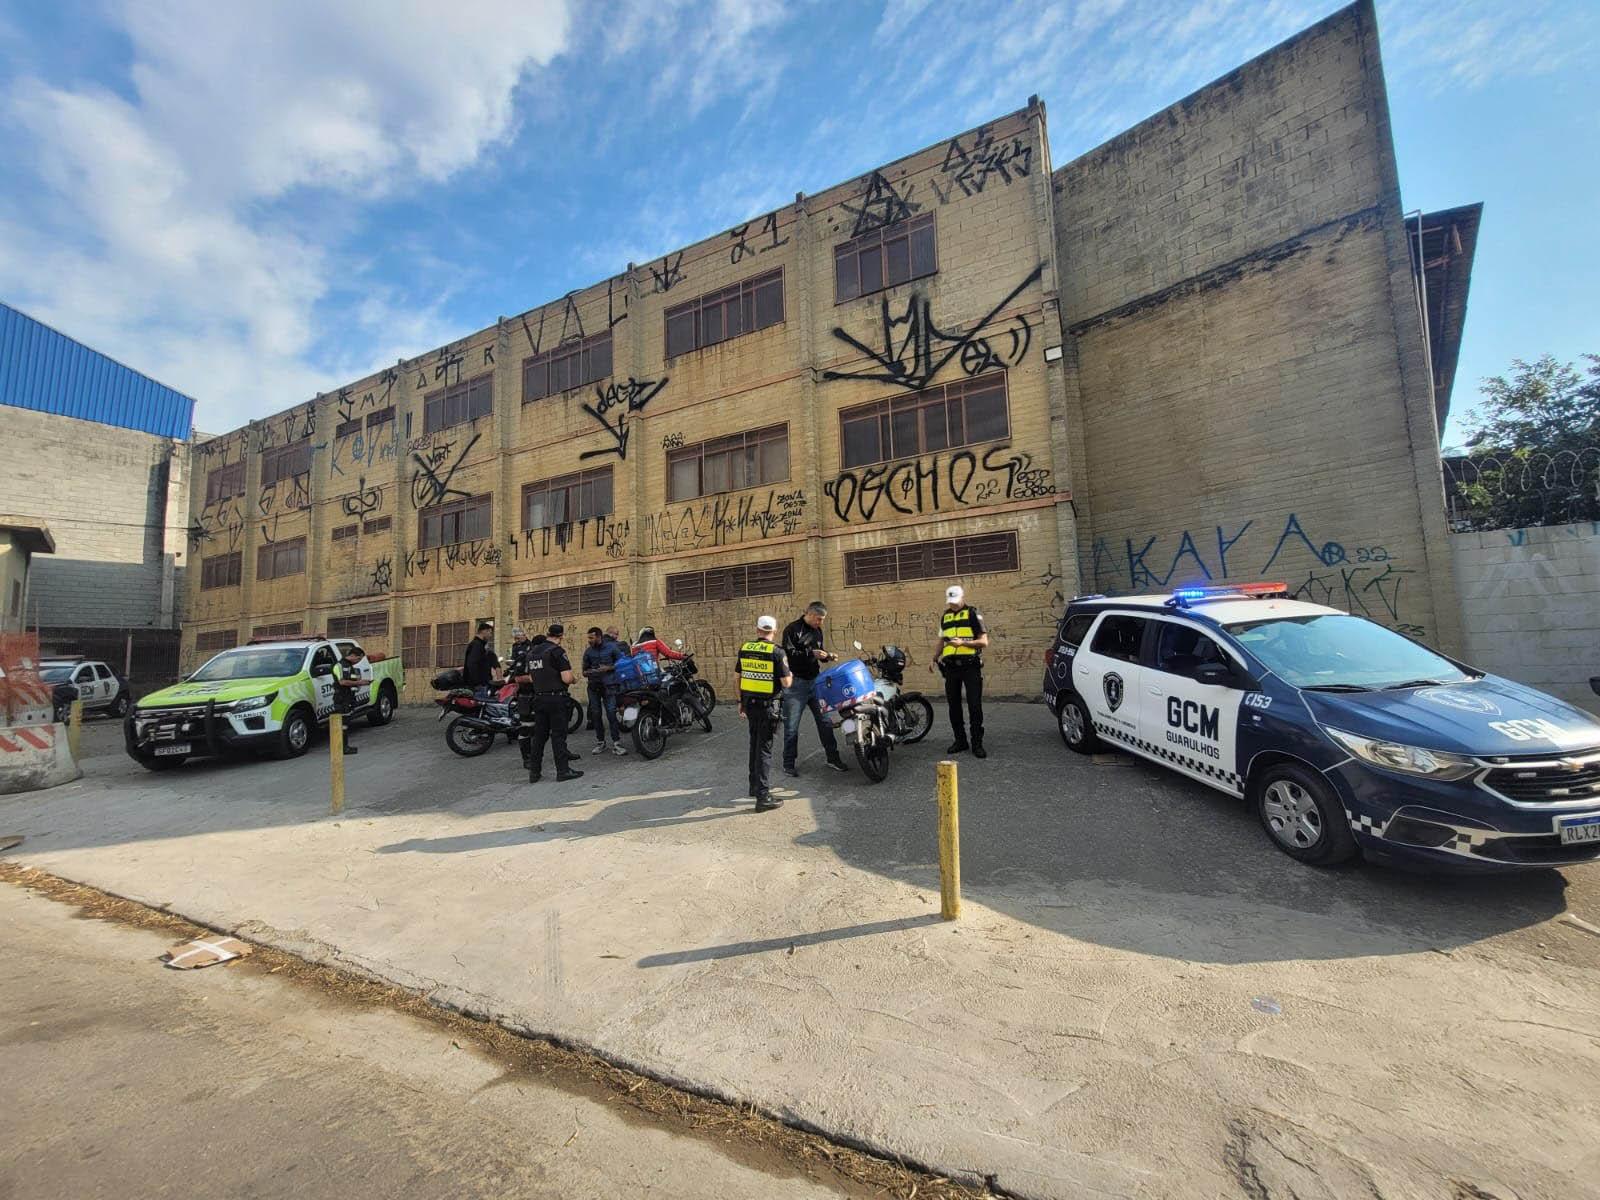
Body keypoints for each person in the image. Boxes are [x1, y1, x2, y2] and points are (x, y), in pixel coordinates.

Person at [780, 601, 848, 776]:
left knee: (825, 721)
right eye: (818, 619)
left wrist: (827, 656)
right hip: (796, 684)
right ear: (809, 614)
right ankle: (788, 764)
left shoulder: (817, 631)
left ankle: (833, 758)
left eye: (822, 620)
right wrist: (811, 654)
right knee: (792, 725)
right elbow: (788, 656)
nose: (820, 623)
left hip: (815, 682)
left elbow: (819, 652)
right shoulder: (792, 630)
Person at [512, 623, 582, 783]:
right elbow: (566, 678)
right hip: (556, 699)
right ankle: (563, 771)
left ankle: (534, 773)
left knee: (539, 737)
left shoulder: (532, 653)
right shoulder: (557, 651)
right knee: (558, 736)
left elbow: (531, 677)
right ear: (561, 636)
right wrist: (573, 679)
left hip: (538, 699)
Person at [737, 615, 792, 812]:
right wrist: (790, 675)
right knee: (764, 750)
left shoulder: (745, 648)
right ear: (774, 631)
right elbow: (786, 683)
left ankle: (753, 786)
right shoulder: (777, 652)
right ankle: (763, 796)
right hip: (769, 707)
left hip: (750, 704)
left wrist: (740, 702)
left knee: (754, 744)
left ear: (758, 630)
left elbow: (739, 677)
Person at [935, 585, 989, 758]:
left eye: (956, 601)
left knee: (974, 705)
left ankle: (977, 743)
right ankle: (960, 741)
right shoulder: (946, 616)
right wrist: (934, 658)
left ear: (962, 598)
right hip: (951, 668)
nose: (953, 605)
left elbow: (984, 642)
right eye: (951, 602)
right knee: (954, 706)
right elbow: (942, 640)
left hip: (970, 666)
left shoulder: (973, 614)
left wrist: (963, 644)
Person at [582, 626, 626, 756]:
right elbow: (584, 672)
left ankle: (616, 743)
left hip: (609, 687)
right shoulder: (588, 652)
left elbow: (622, 664)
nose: (589, 640)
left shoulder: (612, 648)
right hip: (593, 687)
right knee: (596, 715)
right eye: (588, 637)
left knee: (611, 714)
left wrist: (608, 668)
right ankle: (600, 742)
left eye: (591, 637)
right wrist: (592, 671)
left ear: (599, 637)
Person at [332, 642, 373, 756]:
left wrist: (359, 683)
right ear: (353, 655)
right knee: (342, 725)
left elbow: (352, 681)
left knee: (346, 724)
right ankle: (341, 748)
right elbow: (342, 682)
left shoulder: (350, 666)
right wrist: (359, 682)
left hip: (348, 698)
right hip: (341, 699)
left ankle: (345, 747)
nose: (359, 661)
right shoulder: (340, 665)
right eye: (358, 658)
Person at [462, 620, 500, 689]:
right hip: (477, 686)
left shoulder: (481, 646)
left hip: (481, 685)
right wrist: (477, 683)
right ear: (484, 631)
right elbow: (472, 664)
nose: (490, 636)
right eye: (490, 633)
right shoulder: (476, 645)